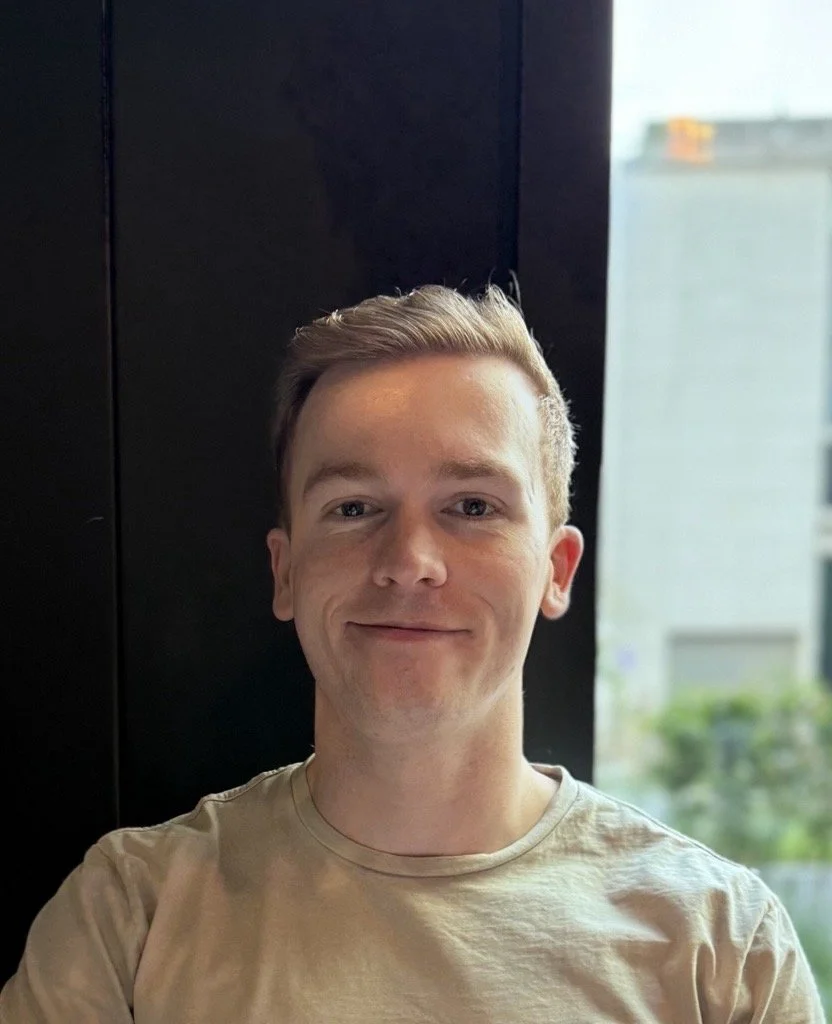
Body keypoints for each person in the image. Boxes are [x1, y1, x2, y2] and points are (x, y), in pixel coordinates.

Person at [0, 285, 824, 1023]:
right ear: (285, 573)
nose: (409, 560)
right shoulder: (126, 920)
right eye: (354, 508)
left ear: (556, 569)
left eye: (473, 505)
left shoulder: (720, 949)